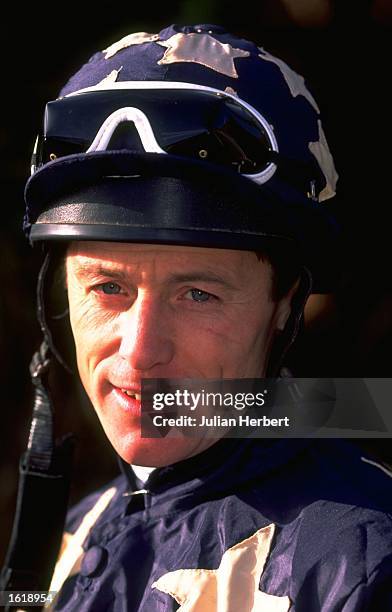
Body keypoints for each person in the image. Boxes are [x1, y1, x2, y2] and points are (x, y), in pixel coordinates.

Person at [6, 23, 392, 611]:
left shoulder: (360, 562)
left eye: (198, 295)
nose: (140, 352)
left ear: (285, 302)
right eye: (107, 286)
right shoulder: (71, 533)